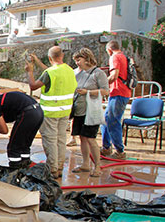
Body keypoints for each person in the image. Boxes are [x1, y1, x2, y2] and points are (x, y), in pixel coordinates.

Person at [26, 46, 77, 178]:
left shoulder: (50, 72)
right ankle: (59, 167)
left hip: (50, 112)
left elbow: (33, 85)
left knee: (50, 140)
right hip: (65, 111)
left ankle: (52, 169)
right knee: (61, 139)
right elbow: (49, 72)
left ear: (50, 58)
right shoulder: (69, 70)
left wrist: (30, 72)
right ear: (62, 56)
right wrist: (37, 61)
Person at [70, 48, 109, 177]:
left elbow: (105, 91)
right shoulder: (80, 74)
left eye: (78, 60)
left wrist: (88, 92)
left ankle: (97, 166)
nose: (77, 63)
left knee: (91, 139)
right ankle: (85, 164)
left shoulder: (98, 73)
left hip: (91, 111)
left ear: (86, 59)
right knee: (82, 138)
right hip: (79, 111)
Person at [101, 40, 131, 160]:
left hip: (118, 92)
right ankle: (106, 147)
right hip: (120, 92)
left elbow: (114, 76)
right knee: (105, 120)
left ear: (109, 50)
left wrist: (101, 85)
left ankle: (120, 151)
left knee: (113, 121)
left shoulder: (115, 57)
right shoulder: (124, 56)